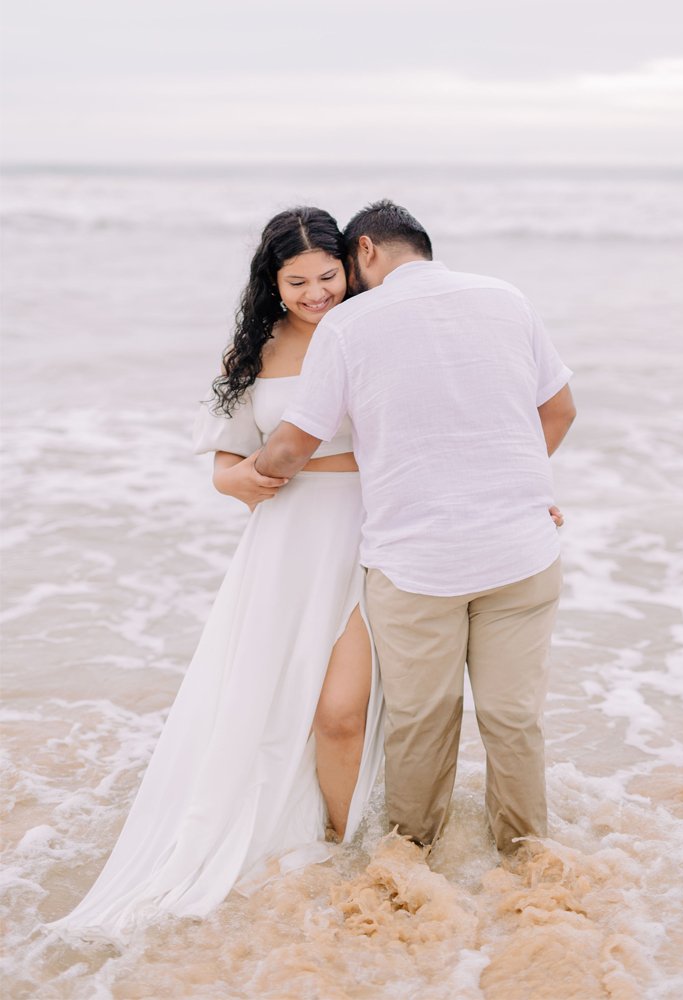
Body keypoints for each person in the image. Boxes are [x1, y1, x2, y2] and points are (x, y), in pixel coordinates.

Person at [49, 207, 384, 943]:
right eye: (297, 282)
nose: (316, 293)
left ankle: (349, 842)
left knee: (341, 712)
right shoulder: (255, 349)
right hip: (286, 542)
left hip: (374, 533)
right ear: (273, 284)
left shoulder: (377, 330)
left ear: (349, 268)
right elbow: (226, 466)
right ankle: (319, 845)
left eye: (328, 276)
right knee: (270, 701)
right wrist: (243, 479)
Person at [254, 200, 576, 854]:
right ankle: (526, 862)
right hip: (521, 553)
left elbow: (291, 448)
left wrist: (242, 469)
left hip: (418, 566)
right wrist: (515, 486)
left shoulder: (350, 325)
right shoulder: (506, 298)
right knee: (514, 720)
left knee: (422, 724)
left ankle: (409, 864)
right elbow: (560, 410)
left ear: (366, 250)